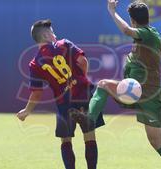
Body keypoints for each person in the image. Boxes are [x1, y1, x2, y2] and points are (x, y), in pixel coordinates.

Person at [87, 1, 161, 168]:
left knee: (156, 142)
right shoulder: (153, 34)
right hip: (139, 92)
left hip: (145, 93)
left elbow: (126, 30)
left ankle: (89, 120)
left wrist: (112, 11)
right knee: (104, 84)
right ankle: (89, 120)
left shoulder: (146, 33)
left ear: (132, 19)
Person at [16, 19, 105, 169]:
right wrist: (80, 79)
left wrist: (27, 111)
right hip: (84, 95)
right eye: (51, 32)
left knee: (65, 140)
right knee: (89, 135)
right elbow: (82, 61)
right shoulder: (64, 44)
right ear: (45, 35)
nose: (54, 34)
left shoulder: (35, 63)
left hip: (64, 103)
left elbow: (36, 93)